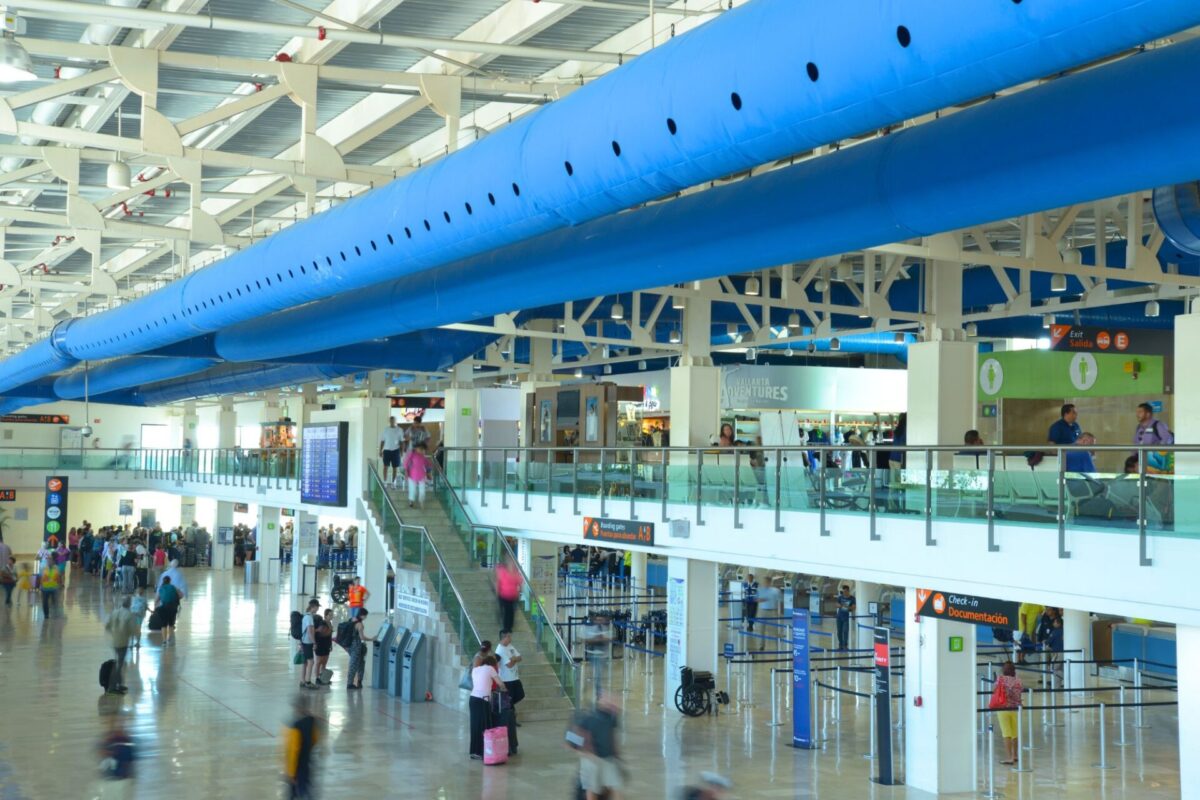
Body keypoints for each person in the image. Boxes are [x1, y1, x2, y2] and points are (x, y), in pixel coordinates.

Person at [572, 693, 624, 799]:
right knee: (592, 789)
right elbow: (574, 736)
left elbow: (612, 735)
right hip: (591, 760)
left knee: (615, 786)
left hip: (608, 758)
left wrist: (616, 754)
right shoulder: (587, 717)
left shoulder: (611, 717)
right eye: (606, 700)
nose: (612, 703)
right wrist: (584, 752)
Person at [468, 653, 506, 760]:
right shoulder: (490, 668)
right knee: (483, 726)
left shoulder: (475, 670)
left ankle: (474, 751)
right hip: (482, 700)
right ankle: (481, 751)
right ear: (492, 664)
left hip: (473, 699)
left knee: (475, 725)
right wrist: (504, 688)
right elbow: (500, 683)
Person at [282, 693, 320, 799]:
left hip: (297, 767)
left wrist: (291, 773)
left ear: (297, 708)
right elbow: (315, 738)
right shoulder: (311, 721)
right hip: (307, 762)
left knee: (295, 792)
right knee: (306, 787)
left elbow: (293, 751)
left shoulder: (295, 726)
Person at [96, 714, 135, 798]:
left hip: (121, 780)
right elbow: (101, 753)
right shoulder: (107, 740)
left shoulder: (125, 741)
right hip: (110, 780)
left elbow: (128, 761)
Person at [992, 661, 1024, 765]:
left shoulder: (1000, 679)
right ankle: (1015, 755)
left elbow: (995, 690)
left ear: (1003, 670)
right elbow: (1021, 691)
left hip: (1003, 708)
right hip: (1015, 709)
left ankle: (1009, 757)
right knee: (1015, 733)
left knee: (1006, 733)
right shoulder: (1018, 680)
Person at [104, 597, 137, 695]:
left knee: (119, 663)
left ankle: (119, 683)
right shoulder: (129, 615)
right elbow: (132, 630)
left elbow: (107, 626)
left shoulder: (115, 612)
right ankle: (113, 687)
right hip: (123, 642)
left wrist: (114, 633)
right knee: (119, 665)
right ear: (129, 605)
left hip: (115, 641)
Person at [495, 629, 524, 731]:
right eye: (509, 636)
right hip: (506, 679)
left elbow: (520, 657)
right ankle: (511, 720)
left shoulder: (510, 646)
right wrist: (514, 659)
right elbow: (509, 665)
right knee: (509, 701)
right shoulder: (500, 650)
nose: (510, 638)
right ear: (504, 638)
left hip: (515, 678)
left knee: (520, 694)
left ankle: (511, 713)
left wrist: (514, 659)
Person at [582, 612, 612, 700]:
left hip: (603, 655)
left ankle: (598, 691)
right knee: (596, 673)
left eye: (601, 620)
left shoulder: (605, 629)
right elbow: (586, 639)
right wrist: (596, 639)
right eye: (598, 620)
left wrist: (601, 639)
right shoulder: (591, 629)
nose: (599, 621)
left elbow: (609, 639)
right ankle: (597, 691)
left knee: (599, 674)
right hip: (594, 654)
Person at [346, 609, 376, 690]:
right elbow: (362, 637)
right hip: (357, 646)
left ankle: (352, 682)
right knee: (358, 664)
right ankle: (352, 683)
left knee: (354, 663)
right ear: (362, 615)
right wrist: (371, 639)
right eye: (365, 615)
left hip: (350, 645)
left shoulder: (352, 619)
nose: (366, 617)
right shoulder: (359, 624)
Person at [495, 558, 522, 633]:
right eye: (511, 563)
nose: (512, 565)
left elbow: (519, 583)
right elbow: (498, 582)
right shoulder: (503, 571)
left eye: (513, 563)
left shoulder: (516, 573)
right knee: (507, 611)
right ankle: (506, 627)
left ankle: (509, 627)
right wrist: (497, 592)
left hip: (513, 596)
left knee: (511, 612)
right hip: (503, 595)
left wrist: (520, 592)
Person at [299, 598, 320, 690]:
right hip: (307, 642)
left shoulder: (306, 616)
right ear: (313, 607)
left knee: (305, 662)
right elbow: (310, 632)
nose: (318, 609)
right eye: (317, 607)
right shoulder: (309, 618)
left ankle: (302, 680)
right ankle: (308, 682)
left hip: (304, 642)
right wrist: (314, 642)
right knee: (311, 662)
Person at [402, 442, 431, 509]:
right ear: (417, 448)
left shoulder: (423, 457)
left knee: (422, 489)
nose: (422, 451)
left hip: (421, 475)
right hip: (412, 474)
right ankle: (411, 501)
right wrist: (406, 472)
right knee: (412, 489)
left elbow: (428, 464)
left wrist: (429, 473)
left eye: (423, 450)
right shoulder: (412, 454)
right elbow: (405, 463)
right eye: (421, 449)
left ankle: (421, 501)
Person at [380, 416, 405, 488]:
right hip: (386, 450)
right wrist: (380, 451)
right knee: (385, 467)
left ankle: (393, 483)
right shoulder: (386, 429)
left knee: (395, 468)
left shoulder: (399, 430)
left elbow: (402, 442)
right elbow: (382, 441)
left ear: (395, 421)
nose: (392, 422)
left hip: (396, 450)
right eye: (391, 421)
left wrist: (402, 452)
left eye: (393, 421)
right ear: (389, 421)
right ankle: (384, 482)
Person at [157, 575, 181, 645]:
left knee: (163, 625)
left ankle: (164, 640)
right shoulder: (173, 587)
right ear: (170, 581)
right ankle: (169, 638)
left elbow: (157, 599)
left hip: (163, 608)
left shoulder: (161, 588)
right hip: (172, 607)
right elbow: (180, 595)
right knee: (171, 624)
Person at [314, 609, 334, 686]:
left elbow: (329, 636)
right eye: (330, 615)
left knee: (324, 663)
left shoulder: (330, 624)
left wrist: (331, 644)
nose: (331, 616)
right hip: (320, 644)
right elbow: (319, 633)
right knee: (318, 662)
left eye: (332, 615)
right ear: (325, 616)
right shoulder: (322, 623)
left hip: (327, 645)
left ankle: (323, 678)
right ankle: (317, 678)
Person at [835, 584, 856, 650]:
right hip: (839, 617)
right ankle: (840, 644)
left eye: (846, 591)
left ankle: (845, 645)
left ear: (848, 591)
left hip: (846, 617)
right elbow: (836, 604)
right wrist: (841, 606)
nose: (844, 593)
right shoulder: (840, 597)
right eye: (843, 591)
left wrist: (847, 607)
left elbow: (853, 607)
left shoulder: (852, 598)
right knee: (839, 631)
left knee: (845, 631)